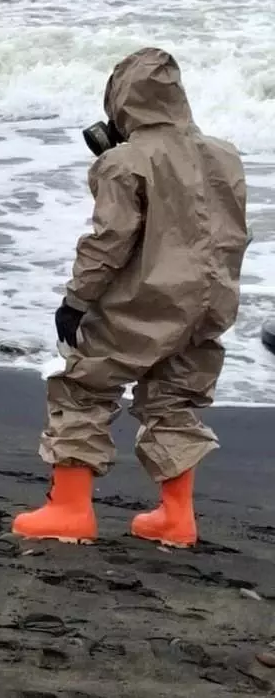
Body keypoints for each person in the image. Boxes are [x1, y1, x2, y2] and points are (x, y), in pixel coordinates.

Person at [13, 47, 249, 548]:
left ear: (123, 101)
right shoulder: (224, 154)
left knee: (84, 386)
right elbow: (231, 234)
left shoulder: (125, 161)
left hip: (146, 297)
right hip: (210, 300)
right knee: (175, 399)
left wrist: (76, 300)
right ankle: (176, 518)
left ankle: (70, 511)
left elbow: (109, 241)